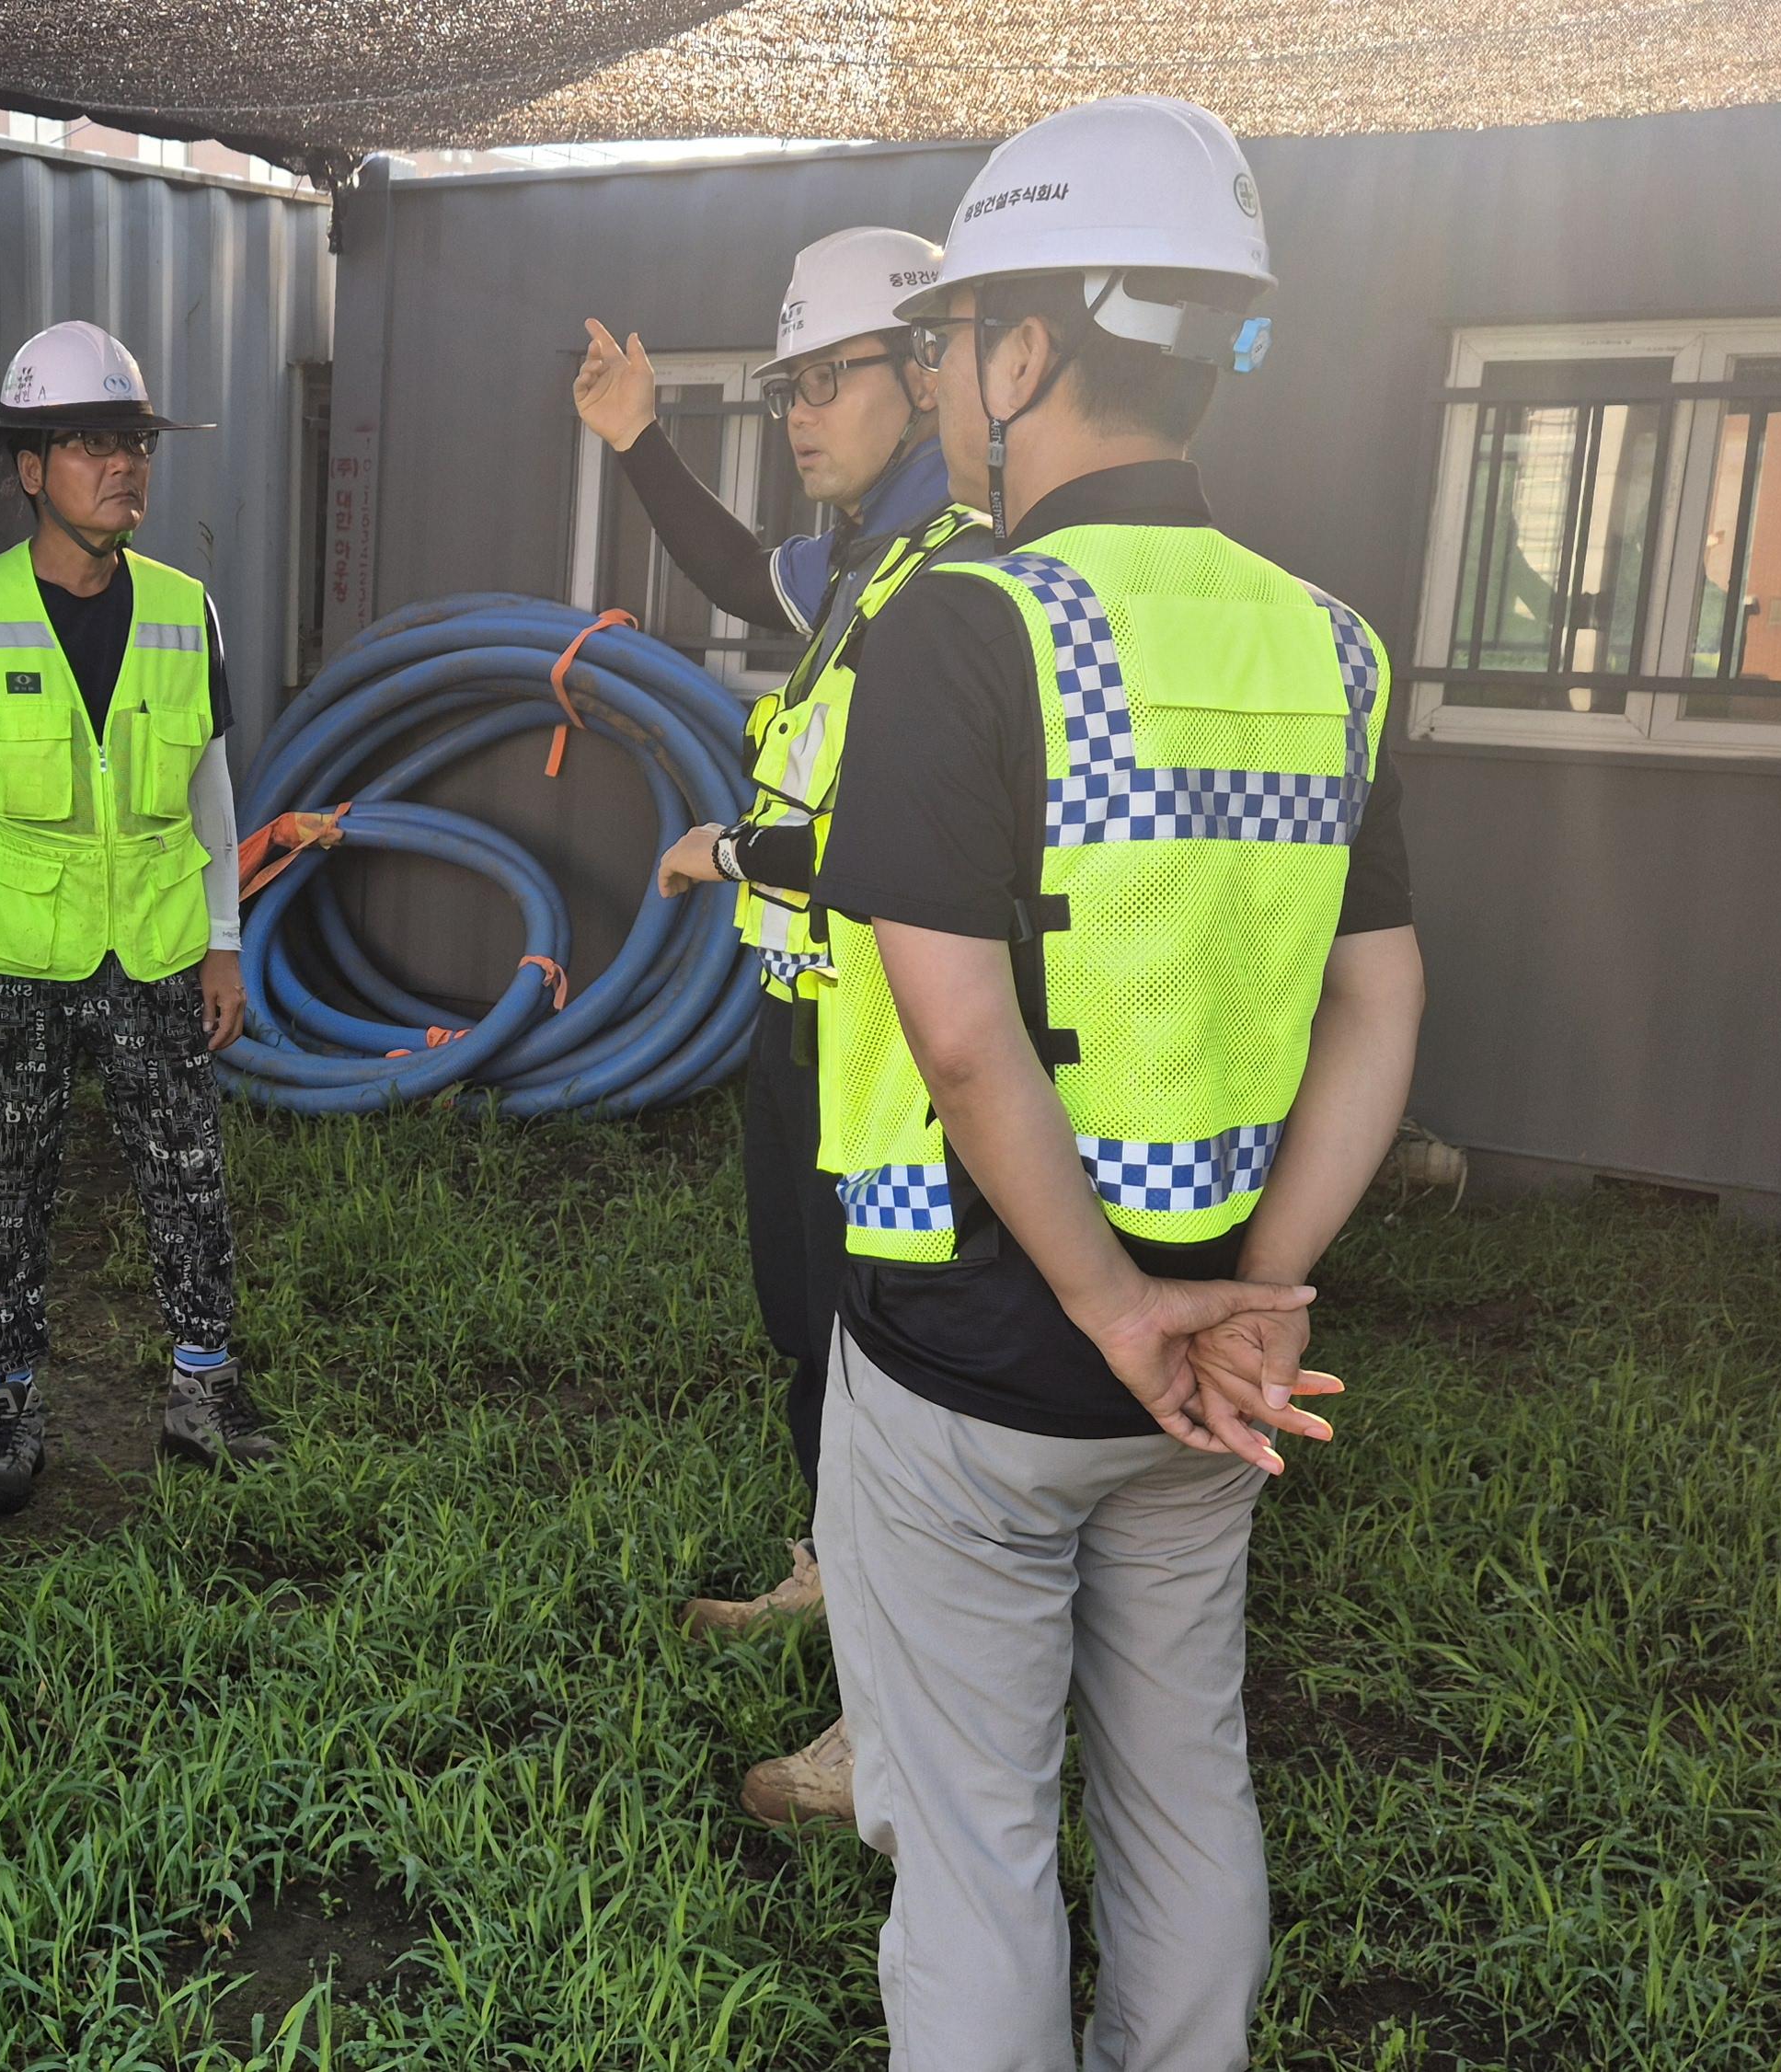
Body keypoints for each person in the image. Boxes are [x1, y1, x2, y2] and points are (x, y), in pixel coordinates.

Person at [810, 98, 1427, 2067]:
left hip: (977, 1354)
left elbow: (956, 1028)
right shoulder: (1329, 649)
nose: (939, 387)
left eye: (945, 343)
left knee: (975, 1840)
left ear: (1022, 351)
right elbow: (1380, 999)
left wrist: (1106, 1302)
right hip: (1209, 1368)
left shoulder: (960, 626)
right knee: (1181, 1785)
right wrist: (1254, 1290)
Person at [574, 227, 979, 1833]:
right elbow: (748, 574)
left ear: (931, 373)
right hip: (810, 1017)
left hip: (906, 1046)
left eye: (829, 380)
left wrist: (728, 850)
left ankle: (889, 1726)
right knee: (807, 1330)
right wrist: (639, 444)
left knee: (895, 1372)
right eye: (787, 385)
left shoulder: (963, 574)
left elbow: (907, 831)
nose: (800, 414)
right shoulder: (867, 562)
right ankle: (829, 1572)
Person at [0, 319, 267, 1517]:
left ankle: (204, 1388)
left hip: (156, 949)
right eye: (95, 444)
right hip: (19, 960)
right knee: (8, 1190)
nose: (124, 466)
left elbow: (211, 791)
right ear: (30, 467)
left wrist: (224, 940)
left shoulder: (186, 610)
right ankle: (3, 1406)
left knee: (189, 1178)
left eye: (136, 444)